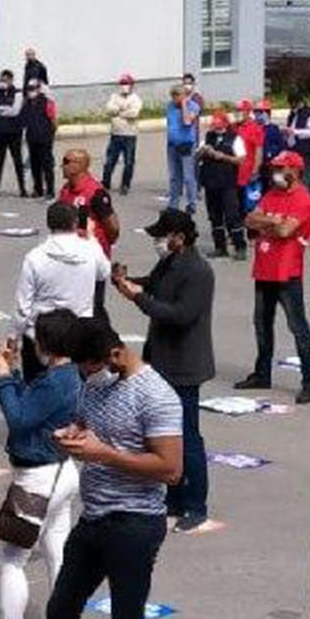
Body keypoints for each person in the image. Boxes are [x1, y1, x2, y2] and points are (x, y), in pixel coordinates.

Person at [0, 317, 183, 619]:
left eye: (91, 367)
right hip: (94, 517)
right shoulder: (93, 384)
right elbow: (86, 424)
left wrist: (106, 454)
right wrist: (74, 438)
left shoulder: (157, 395)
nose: (86, 376)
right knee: (61, 608)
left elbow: (170, 469)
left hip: (135, 524)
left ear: (115, 355)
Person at [0, 310, 84, 619]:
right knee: (56, 549)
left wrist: (4, 379)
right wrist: (15, 373)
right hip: (64, 473)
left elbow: (20, 420)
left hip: (36, 478)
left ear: (45, 344)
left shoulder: (53, 381)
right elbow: (33, 409)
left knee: (12, 558)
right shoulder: (72, 375)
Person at [113, 209, 214, 530]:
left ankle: (195, 504)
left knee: (187, 436)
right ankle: (171, 497)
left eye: (163, 236)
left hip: (184, 365)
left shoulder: (198, 271)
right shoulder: (170, 262)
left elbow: (180, 314)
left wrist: (138, 298)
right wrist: (126, 282)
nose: (159, 242)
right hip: (162, 361)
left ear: (180, 239)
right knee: (161, 435)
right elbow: (153, 283)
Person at [234, 150, 310, 405]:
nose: (276, 173)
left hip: (287, 272)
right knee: (262, 323)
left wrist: (269, 222)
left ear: (295, 171)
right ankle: (262, 373)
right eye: (275, 168)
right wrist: (273, 220)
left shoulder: (303, 200)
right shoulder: (272, 194)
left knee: (297, 326)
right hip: (265, 267)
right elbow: (249, 219)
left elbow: (285, 231)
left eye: (282, 168)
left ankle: (309, 380)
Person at [15, 202, 109, 377]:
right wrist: (91, 236)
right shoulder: (89, 250)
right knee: (76, 393)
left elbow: (23, 307)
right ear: (75, 223)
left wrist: (14, 337)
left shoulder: (35, 257)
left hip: (40, 336)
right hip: (78, 332)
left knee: (35, 390)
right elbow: (104, 273)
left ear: (49, 224)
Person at [197, 109, 248, 260]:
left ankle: (240, 246)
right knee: (214, 216)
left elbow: (241, 159)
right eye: (214, 125)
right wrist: (203, 151)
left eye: (218, 125)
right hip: (210, 182)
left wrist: (223, 156)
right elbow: (197, 155)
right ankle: (220, 247)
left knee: (232, 216)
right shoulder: (208, 137)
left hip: (227, 183)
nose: (215, 128)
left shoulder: (234, 138)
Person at [0, 70, 27, 197]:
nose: (3, 83)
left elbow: (15, 111)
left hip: (14, 132)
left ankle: (22, 189)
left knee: (17, 160)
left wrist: (0, 110)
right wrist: (3, 109)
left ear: (11, 80)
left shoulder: (18, 93)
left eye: (5, 80)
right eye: (2, 80)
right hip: (0, 131)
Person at [102, 74, 142, 194]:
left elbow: (134, 113)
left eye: (127, 84)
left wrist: (119, 111)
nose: (124, 86)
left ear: (132, 85)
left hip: (130, 135)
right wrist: (124, 109)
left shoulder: (136, 98)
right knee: (110, 161)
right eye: (122, 83)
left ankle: (125, 185)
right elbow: (109, 109)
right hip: (116, 134)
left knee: (129, 162)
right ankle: (105, 183)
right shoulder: (114, 96)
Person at [167, 84, 202, 214]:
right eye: (173, 96)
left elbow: (187, 121)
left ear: (183, 96)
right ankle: (173, 204)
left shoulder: (193, 106)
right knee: (174, 177)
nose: (174, 99)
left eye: (177, 96)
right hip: (172, 145)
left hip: (186, 144)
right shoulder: (170, 106)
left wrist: (184, 105)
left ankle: (191, 203)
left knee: (188, 176)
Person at [24, 80, 58, 198]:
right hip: (32, 138)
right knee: (35, 165)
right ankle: (38, 189)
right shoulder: (27, 103)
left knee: (47, 165)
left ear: (39, 89)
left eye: (33, 88)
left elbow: (53, 122)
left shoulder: (48, 102)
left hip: (45, 138)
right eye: (29, 88)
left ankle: (50, 191)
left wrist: (50, 135)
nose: (31, 91)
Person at [286, 91, 310, 190]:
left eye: (293, 103)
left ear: (299, 102)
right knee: (293, 176)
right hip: (292, 148)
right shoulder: (292, 113)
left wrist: (294, 132)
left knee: (304, 176)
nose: (291, 106)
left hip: (304, 149)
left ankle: (306, 198)